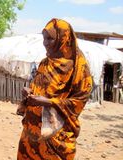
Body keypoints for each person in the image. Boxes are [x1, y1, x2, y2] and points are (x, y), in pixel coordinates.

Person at [17, 18, 93, 160]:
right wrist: (29, 92)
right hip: (32, 131)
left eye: (50, 39)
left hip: (56, 135)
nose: (45, 43)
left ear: (63, 39)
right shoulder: (44, 63)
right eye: (44, 38)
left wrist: (49, 102)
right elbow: (39, 87)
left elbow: (80, 99)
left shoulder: (77, 67)